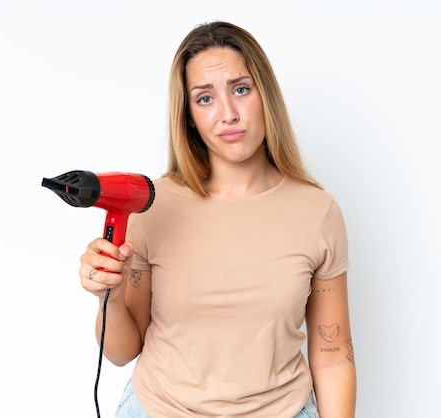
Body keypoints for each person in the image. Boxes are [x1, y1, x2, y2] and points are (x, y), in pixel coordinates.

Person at [79, 21, 356, 418]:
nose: (228, 114)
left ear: (265, 95)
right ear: (189, 115)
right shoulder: (151, 205)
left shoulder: (317, 213)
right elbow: (123, 352)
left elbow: (333, 357)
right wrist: (111, 297)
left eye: (240, 89)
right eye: (205, 98)